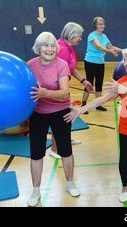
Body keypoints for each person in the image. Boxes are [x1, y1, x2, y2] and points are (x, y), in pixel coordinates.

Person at [64, 46, 127, 203]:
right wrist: (82, 109)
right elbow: (103, 98)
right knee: (124, 158)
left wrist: (121, 88)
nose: (124, 63)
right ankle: (125, 188)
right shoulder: (122, 82)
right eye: (124, 59)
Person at [26, 32, 80, 207]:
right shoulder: (30, 65)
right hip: (37, 114)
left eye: (52, 46)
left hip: (60, 112)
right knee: (36, 154)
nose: (49, 49)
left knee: (65, 150)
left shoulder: (62, 65)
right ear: (38, 47)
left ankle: (70, 183)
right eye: (45, 45)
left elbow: (65, 92)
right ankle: (35, 191)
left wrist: (45, 93)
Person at [48, 22, 93, 159]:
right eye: (79, 36)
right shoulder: (61, 48)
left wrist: (83, 81)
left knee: (66, 117)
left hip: (64, 88)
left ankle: (66, 140)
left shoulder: (69, 47)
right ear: (71, 35)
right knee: (58, 119)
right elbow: (55, 72)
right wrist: (60, 92)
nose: (80, 38)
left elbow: (71, 68)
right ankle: (54, 149)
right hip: (58, 90)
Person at [83, 17, 123, 113]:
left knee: (99, 83)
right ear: (95, 25)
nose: (102, 25)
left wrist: (124, 51)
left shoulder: (104, 36)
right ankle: (84, 105)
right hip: (90, 62)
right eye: (100, 24)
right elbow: (99, 46)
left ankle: (98, 104)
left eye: (103, 24)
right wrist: (110, 52)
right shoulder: (92, 35)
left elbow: (111, 46)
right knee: (89, 83)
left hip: (100, 63)